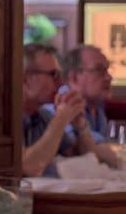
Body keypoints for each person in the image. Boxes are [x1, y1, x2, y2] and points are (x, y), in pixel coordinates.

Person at [21, 43, 104, 177]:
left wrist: (80, 126)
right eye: (54, 75)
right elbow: (28, 167)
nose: (61, 83)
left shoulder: (43, 116)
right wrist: (62, 118)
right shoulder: (4, 119)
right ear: (25, 79)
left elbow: (85, 157)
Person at [62, 44, 112, 142]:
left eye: (107, 70)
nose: (109, 77)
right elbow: (77, 144)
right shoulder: (60, 105)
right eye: (99, 70)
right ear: (74, 78)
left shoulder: (97, 105)